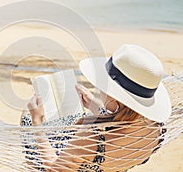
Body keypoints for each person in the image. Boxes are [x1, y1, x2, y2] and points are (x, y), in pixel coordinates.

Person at [20, 44, 171, 172]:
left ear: (114, 97)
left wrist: (37, 122)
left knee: (27, 117)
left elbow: (53, 169)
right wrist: (95, 106)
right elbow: (125, 124)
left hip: (71, 159)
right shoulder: (155, 127)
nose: (98, 89)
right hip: (107, 162)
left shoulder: (91, 137)